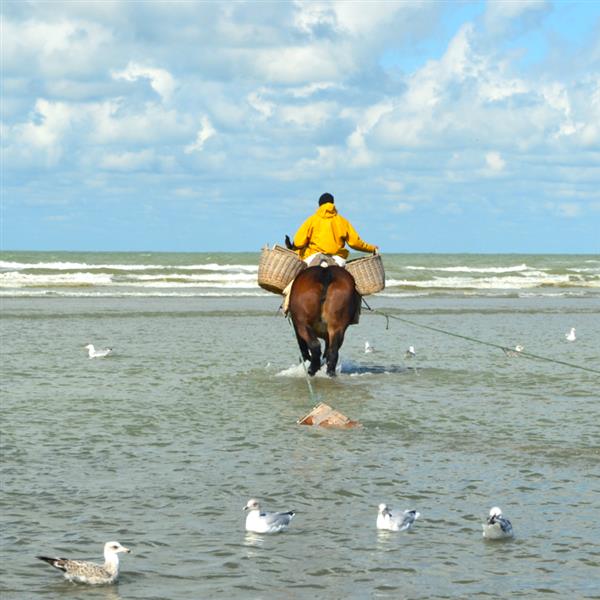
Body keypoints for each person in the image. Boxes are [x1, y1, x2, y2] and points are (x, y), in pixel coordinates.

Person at [285, 192, 378, 266]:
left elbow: (298, 242)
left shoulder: (311, 220)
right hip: (338, 259)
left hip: (313, 257)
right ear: (333, 204)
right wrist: (372, 248)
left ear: (319, 205)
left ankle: (288, 289)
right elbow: (355, 243)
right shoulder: (342, 221)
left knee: (298, 278)